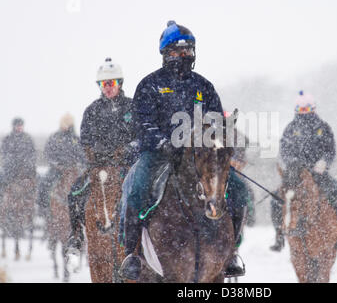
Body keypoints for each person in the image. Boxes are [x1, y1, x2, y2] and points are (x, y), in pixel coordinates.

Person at [118, 21, 248, 280]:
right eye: (178, 51)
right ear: (166, 54)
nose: (184, 55)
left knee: (239, 188)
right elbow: (143, 124)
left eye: (188, 50)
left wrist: (212, 145)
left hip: (200, 157)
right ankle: (131, 253)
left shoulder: (204, 86)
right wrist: (166, 144)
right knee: (136, 186)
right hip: (158, 155)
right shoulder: (149, 85)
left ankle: (231, 252)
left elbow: (217, 125)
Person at [65, 58, 137, 255]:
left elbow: (140, 138)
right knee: (74, 193)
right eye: (103, 84)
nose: (107, 88)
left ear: (120, 83)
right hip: (99, 167)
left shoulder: (132, 107)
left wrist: (127, 150)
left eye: (110, 83)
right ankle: (76, 236)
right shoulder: (92, 110)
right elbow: (85, 140)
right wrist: (91, 152)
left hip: (128, 166)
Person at [277, 91, 337, 249]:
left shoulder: (323, 127)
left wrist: (324, 162)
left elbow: (330, 150)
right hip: (296, 176)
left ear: (313, 109)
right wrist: (294, 164)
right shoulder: (290, 128)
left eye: (306, 110)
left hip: (319, 175)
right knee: (277, 198)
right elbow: (285, 150)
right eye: (300, 110)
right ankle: (279, 236)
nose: (303, 113)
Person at [37, 114, 86, 223]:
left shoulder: (76, 139)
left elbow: (82, 155)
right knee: (45, 183)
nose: (67, 126)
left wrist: (78, 164)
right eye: (65, 123)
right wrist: (57, 164)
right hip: (57, 169)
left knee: (85, 184)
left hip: (73, 170)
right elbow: (48, 153)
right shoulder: (55, 137)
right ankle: (43, 208)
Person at [0, 118, 37, 195]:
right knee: (3, 180)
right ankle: (2, 197)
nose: (19, 127)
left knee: (37, 179)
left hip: (26, 166)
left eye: (21, 125)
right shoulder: (8, 138)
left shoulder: (28, 138)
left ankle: (36, 198)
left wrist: (29, 161)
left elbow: (33, 152)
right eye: (17, 125)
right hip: (11, 167)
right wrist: (12, 161)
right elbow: (4, 153)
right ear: (14, 126)